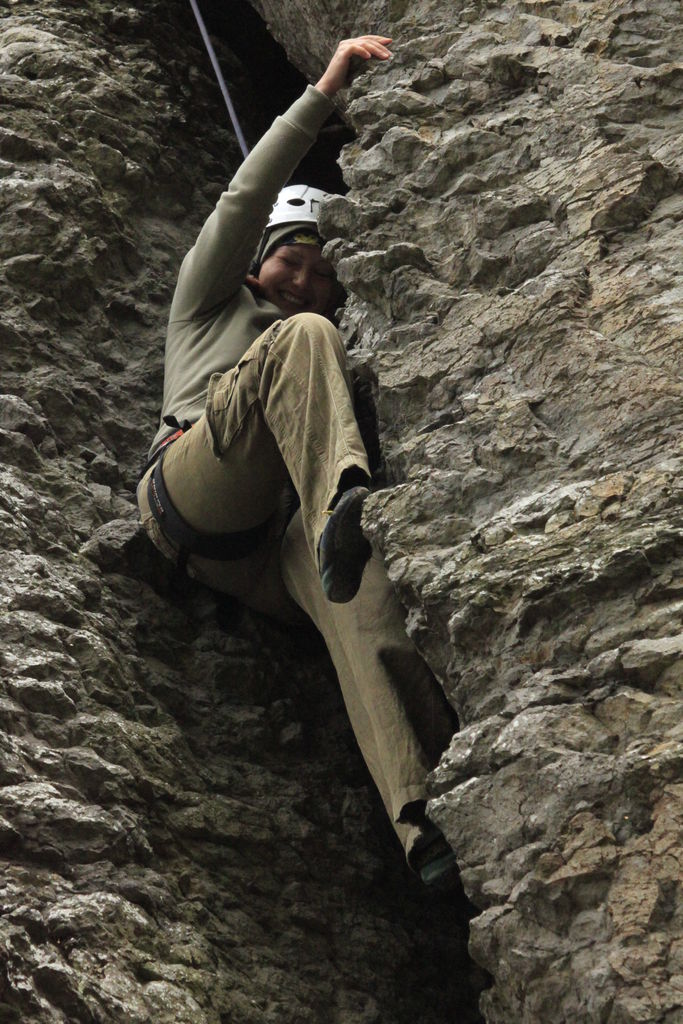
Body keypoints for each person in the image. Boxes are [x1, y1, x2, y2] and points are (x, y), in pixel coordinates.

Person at [137, 36, 457, 885]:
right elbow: (245, 197)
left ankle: (423, 823)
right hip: (195, 481)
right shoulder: (210, 303)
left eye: (321, 273)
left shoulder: (319, 334)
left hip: (271, 550)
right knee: (305, 342)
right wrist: (323, 91)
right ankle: (343, 501)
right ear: (258, 259)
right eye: (289, 258)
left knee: (366, 603)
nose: (301, 280)